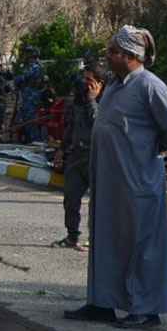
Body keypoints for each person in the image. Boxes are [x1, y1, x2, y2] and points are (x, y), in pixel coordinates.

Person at [64, 26, 167, 330]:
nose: (108, 57)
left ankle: (147, 310)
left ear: (132, 55)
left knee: (142, 243)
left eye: (114, 52)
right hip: (109, 182)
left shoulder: (150, 86)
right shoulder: (116, 86)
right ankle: (102, 303)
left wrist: (153, 147)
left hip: (138, 181)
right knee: (106, 240)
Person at [54, 58, 105, 250]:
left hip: (96, 158)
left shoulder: (107, 102)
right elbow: (70, 128)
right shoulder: (77, 102)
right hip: (76, 156)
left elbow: (98, 126)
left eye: (90, 80)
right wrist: (61, 149)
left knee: (98, 204)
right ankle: (71, 236)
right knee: (70, 199)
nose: (85, 83)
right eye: (84, 79)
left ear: (100, 83)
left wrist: (92, 100)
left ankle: (96, 240)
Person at [15, 47, 48, 144]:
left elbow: (23, 77)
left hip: (32, 96)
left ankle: (35, 141)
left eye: (27, 54)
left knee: (31, 119)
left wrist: (16, 79)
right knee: (25, 118)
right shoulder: (28, 66)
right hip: (27, 95)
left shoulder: (35, 67)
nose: (25, 56)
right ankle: (29, 139)